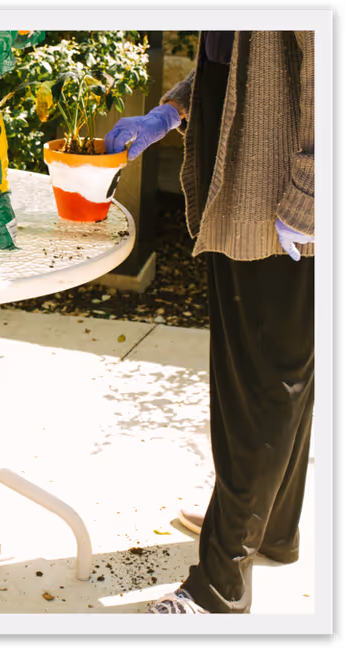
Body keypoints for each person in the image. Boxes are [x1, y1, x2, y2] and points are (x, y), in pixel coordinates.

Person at [103, 31, 314, 614]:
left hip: (279, 200)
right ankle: (266, 523)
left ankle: (221, 585)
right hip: (243, 185)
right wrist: (172, 110)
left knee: (265, 383)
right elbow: (235, 61)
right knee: (272, 368)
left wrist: (308, 200)